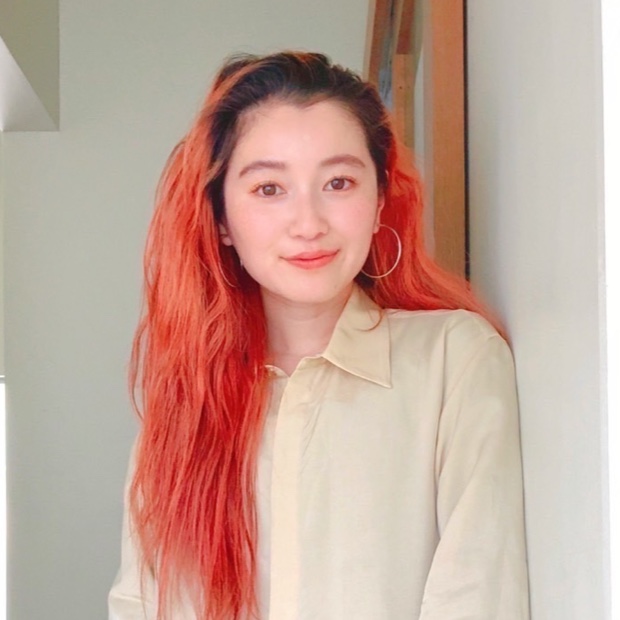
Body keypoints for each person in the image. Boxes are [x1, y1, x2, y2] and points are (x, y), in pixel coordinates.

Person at [108, 51, 529, 620]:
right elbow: (139, 603)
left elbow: (476, 597)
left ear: (379, 200)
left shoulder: (455, 360)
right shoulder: (186, 403)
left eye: (338, 182)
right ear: (222, 219)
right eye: (269, 189)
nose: (308, 223)